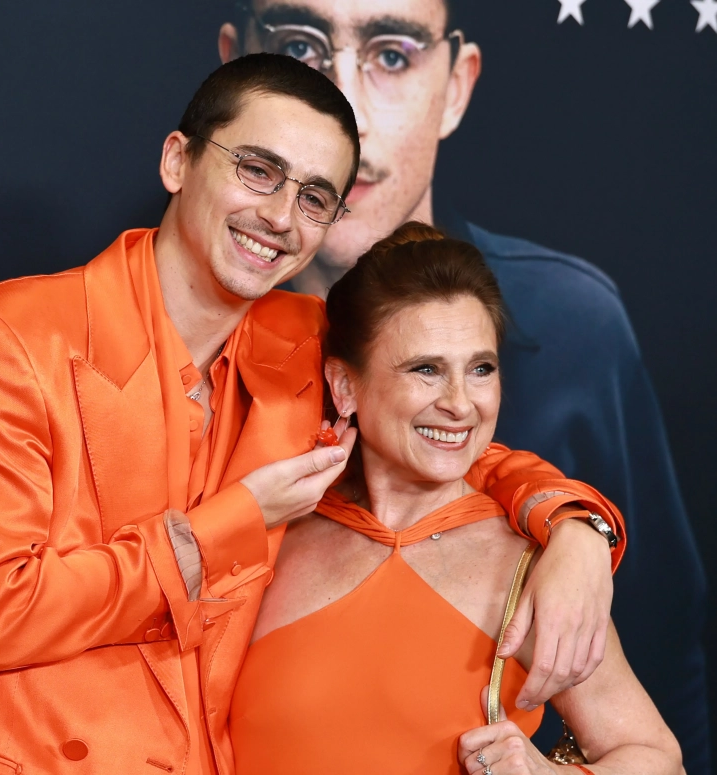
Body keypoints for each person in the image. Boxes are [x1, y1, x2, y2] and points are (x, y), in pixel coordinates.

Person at [0, 55, 623, 775]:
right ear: (178, 161)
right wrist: (231, 523)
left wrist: (575, 530)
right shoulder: (15, 337)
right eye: (258, 170)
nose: (279, 216)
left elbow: (437, 435)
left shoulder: (307, 343)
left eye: (315, 197)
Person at [218, 0, 708, 765]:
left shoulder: (575, 335)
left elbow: (669, 683)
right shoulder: (202, 375)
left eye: (391, 54)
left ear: (456, 84)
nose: (348, 115)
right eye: (300, 47)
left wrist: (579, 532)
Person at [228, 223, 682, 775]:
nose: (461, 404)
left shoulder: (535, 568)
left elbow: (657, 759)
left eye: (481, 369)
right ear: (345, 386)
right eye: (426, 370)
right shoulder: (276, 535)